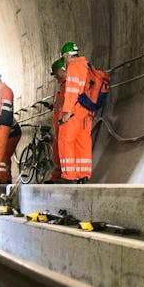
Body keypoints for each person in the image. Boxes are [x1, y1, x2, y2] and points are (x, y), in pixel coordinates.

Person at [56, 43, 92, 183]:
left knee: (67, 141)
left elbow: (71, 91)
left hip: (75, 111)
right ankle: (84, 175)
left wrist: (67, 112)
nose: (65, 61)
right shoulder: (87, 65)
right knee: (83, 142)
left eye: (64, 58)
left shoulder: (74, 66)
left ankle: (70, 175)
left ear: (67, 55)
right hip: (87, 112)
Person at [48, 59, 66, 182]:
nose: (55, 76)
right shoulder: (62, 87)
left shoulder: (68, 86)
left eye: (55, 73)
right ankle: (56, 176)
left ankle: (65, 176)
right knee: (57, 151)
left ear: (61, 70)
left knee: (63, 151)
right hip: (59, 127)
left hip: (64, 126)